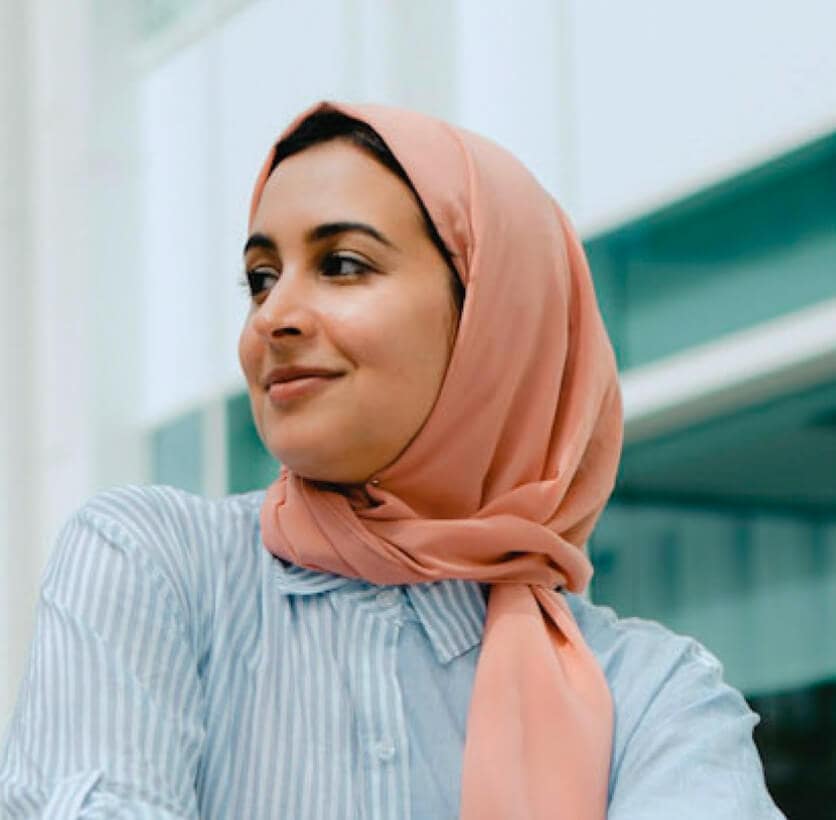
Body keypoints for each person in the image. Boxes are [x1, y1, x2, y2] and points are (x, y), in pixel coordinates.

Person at [0, 101, 784, 819]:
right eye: (260, 279)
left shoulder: (651, 695)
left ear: (490, 319)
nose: (274, 316)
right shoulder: (153, 564)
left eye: (342, 264)